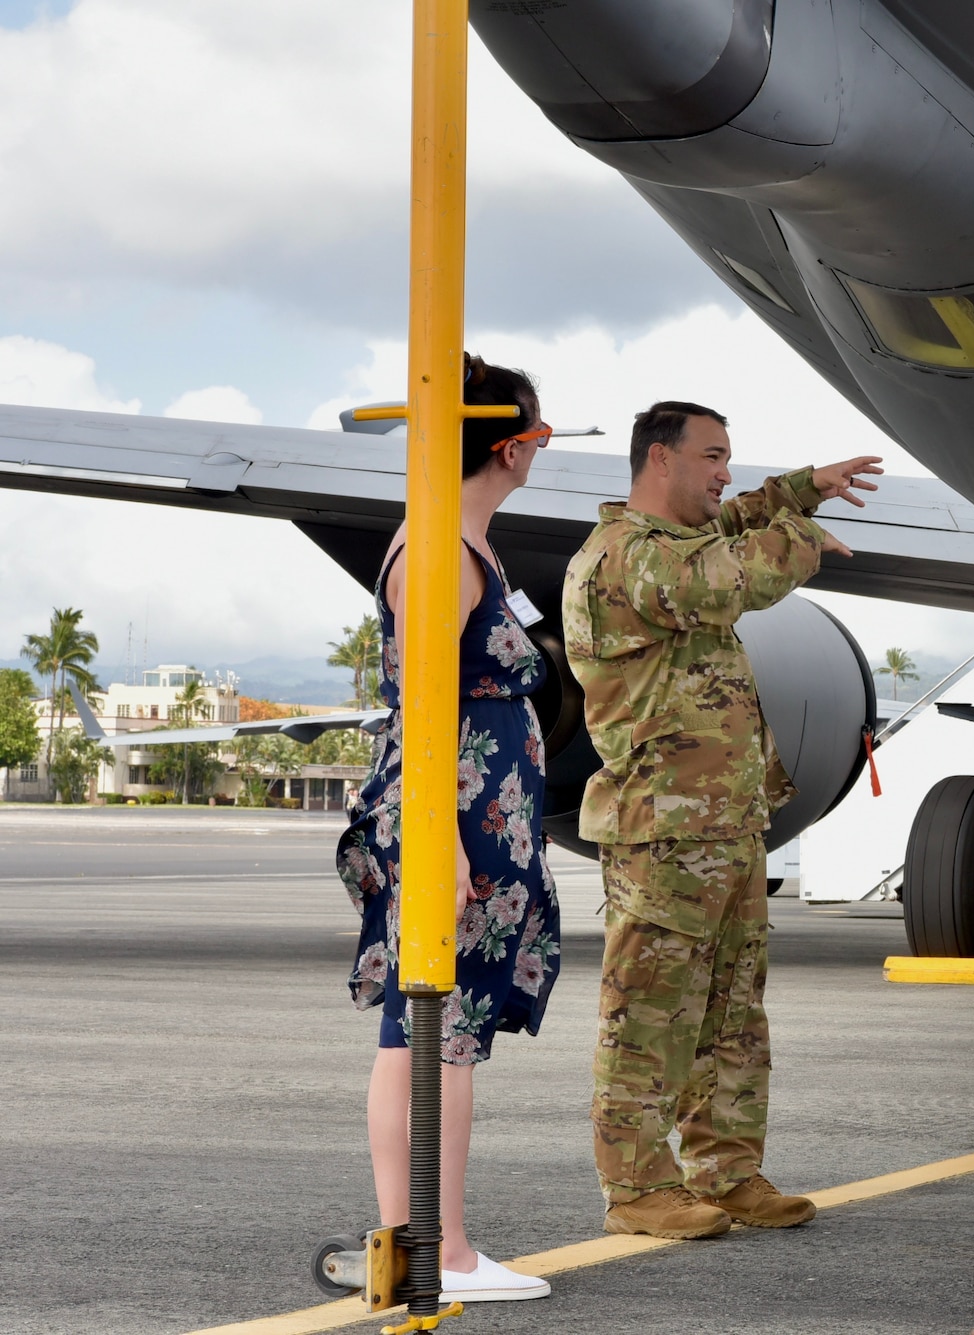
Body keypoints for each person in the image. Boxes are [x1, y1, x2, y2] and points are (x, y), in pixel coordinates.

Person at [561, 400, 881, 1240]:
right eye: (711, 455)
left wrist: (802, 490)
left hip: (725, 826)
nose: (724, 472)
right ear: (658, 461)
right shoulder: (626, 555)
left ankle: (727, 1168)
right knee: (649, 1011)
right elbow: (729, 578)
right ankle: (636, 1186)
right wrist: (802, 536)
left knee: (732, 1012)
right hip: (663, 831)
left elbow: (729, 526)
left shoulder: (670, 542)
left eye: (729, 457)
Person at [335, 354, 561, 1304]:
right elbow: (427, 706)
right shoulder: (439, 553)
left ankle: (422, 1236)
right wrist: (451, 837)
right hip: (457, 814)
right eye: (541, 437)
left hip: (472, 812)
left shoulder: (462, 545)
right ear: (511, 447)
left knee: (430, 1027)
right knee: (442, 1027)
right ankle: (442, 1246)